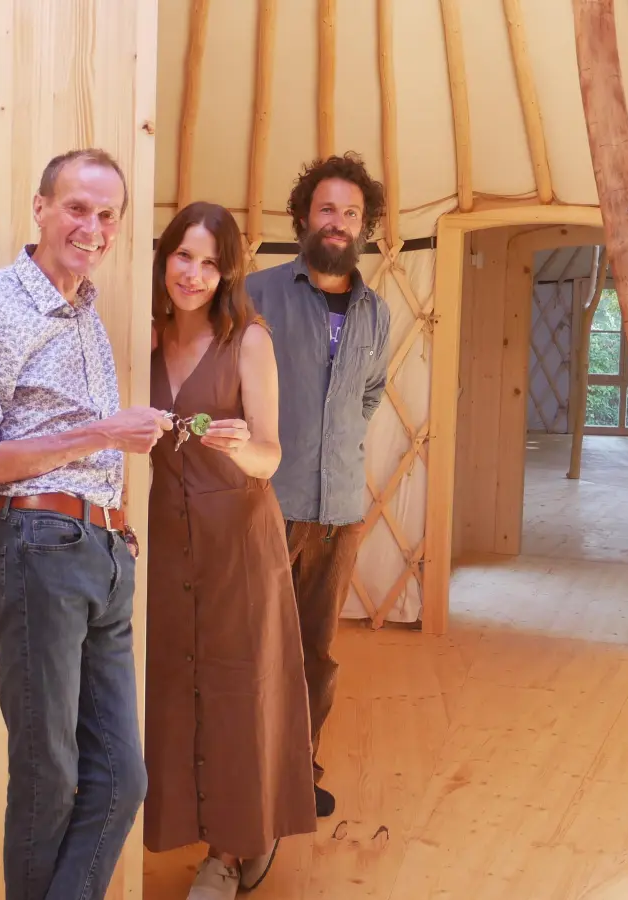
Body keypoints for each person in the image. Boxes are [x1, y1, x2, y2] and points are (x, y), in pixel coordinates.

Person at [0, 148, 168, 900]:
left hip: (103, 552)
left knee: (121, 779)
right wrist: (104, 433)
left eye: (107, 216)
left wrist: (120, 530)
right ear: (39, 208)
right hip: (37, 546)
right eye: (77, 208)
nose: (92, 227)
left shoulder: (85, 313)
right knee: (50, 773)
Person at [141, 201, 317, 900]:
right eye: (184, 255)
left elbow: (272, 455)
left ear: (228, 273)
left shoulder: (249, 340)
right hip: (163, 539)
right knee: (172, 687)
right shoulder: (143, 337)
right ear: (164, 259)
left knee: (238, 690)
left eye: (210, 262)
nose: (194, 273)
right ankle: (177, 826)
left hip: (237, 541)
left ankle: (232, 850)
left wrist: (242, 447)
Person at [245, 153, 391, 819]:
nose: (337, 223)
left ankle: (297, 768)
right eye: (326, 209)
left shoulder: (376, 313)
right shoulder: (258, 293)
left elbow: (368, 394)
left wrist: (335, 452)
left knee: (316, 654)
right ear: (304, 216)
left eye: (351, 213)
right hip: (265, 506)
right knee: (248, 647)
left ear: (367, 226)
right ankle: (241, 777)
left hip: (341, 512)